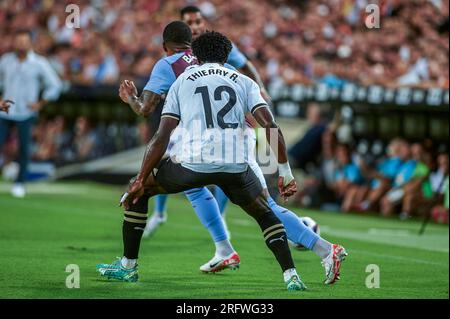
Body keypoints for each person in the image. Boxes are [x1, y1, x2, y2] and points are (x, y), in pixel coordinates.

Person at [98, 31, 346, 290]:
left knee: (141, 191)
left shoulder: (181, 80)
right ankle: (289, 274)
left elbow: (161, 135)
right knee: (264, 210)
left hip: (194, 162)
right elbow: (271, 126)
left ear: (195, 54)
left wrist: (140, 179)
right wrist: (285, 171)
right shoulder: (245, 81)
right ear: (227, 56)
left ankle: (128, 266)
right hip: (237, 163)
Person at [117, 21, 239, 273]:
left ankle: (128, 265)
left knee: (139, 189)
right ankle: (225, 248)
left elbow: (145, 109)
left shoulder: (167, 65)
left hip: (188, 141)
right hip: (226, 138)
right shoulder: (208, 60)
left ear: (164, 46)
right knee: (251, 199)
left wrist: (130, 98)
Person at [148, 5, 273, 234]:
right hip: (190, 123)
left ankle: (221, 226)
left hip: (220, 128)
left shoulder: (216, 46)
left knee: (202, 172)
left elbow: (244, 66)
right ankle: (162, 213)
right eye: (190, 23)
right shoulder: (175, 58)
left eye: (198, 22)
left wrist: (260, 90)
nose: (195, 26)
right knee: (173, 159)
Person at [0, 30, 62, 197]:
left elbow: (55, 85)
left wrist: (40, 103)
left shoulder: (39, 63)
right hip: (5, 112)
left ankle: (20, 183)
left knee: (24, 149)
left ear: (30, 43)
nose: (21, 44)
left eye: (24, 41)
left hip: (26, 112)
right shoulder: (6, 61)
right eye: (18, 41)